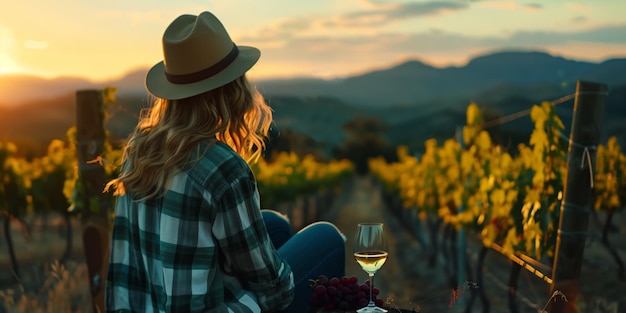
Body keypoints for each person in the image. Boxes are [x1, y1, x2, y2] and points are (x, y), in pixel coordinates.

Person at [104, 11, 346, 313]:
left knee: (276, 225)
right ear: (233, 88)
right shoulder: (221, 167)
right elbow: (276, 293)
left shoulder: (139, 149)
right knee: (327, 238)